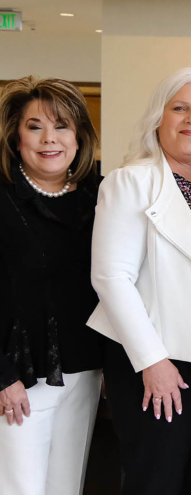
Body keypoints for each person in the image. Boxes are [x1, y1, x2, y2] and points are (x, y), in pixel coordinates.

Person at [88, 67, 191, 494]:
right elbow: (111, 278)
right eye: (180, 108)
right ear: (159, 117)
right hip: (156, 360)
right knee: (156, 482)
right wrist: (152, 362)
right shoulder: (129, 182)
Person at [0, 76, 102, 495]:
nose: (49, 139)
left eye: (61, 126)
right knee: (21, 488)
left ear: (78, 137)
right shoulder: (4, 199)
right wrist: (2, 376)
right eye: (35, 126)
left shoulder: (100, 196)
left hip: (87, 370)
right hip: (19, 378)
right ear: (15, 135)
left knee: (66, 485)